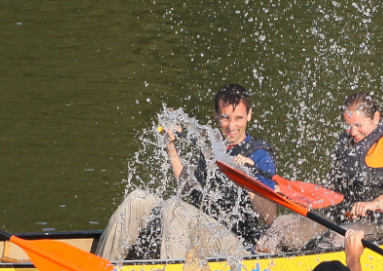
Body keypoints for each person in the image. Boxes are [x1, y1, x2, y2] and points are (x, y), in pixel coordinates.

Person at [95, 84, 281, 260]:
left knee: (173, 210)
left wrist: (246, 177)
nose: (231, 126)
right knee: (136, 200)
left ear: (249, 115)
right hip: (202, 229)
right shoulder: (213, 147)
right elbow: (189, 191)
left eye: (238, 118)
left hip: (235, 244)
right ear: (216, 114)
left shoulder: (259, 155)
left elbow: (269, 217)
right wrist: (171, 148)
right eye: (225, 118)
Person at [255, 91, 383, 253]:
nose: (353, 132)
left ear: (376, 118)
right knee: (281, 226)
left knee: (336, 239)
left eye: (359, 125)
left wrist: (374, 204)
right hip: (346, 215)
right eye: (348, 125)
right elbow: (332, 188)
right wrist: (293, 192)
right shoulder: (347, 141)